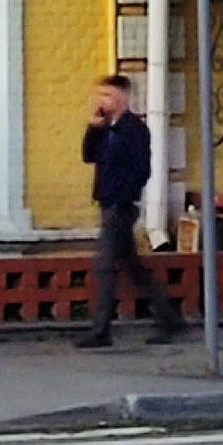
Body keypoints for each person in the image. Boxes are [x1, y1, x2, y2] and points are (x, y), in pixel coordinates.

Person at [75, 74, 180, 348]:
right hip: (107, 203)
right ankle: (170, 319)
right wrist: (93, 128)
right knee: (134, 270)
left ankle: (101, 331)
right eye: (100, 95)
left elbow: (141, 170)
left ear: (121, 97)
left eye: (107, 95)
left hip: (121, 207)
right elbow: (88, 156)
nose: (101, 101)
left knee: (104, 266)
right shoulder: (107, 128)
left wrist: (124, 198)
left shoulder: (135, 130)